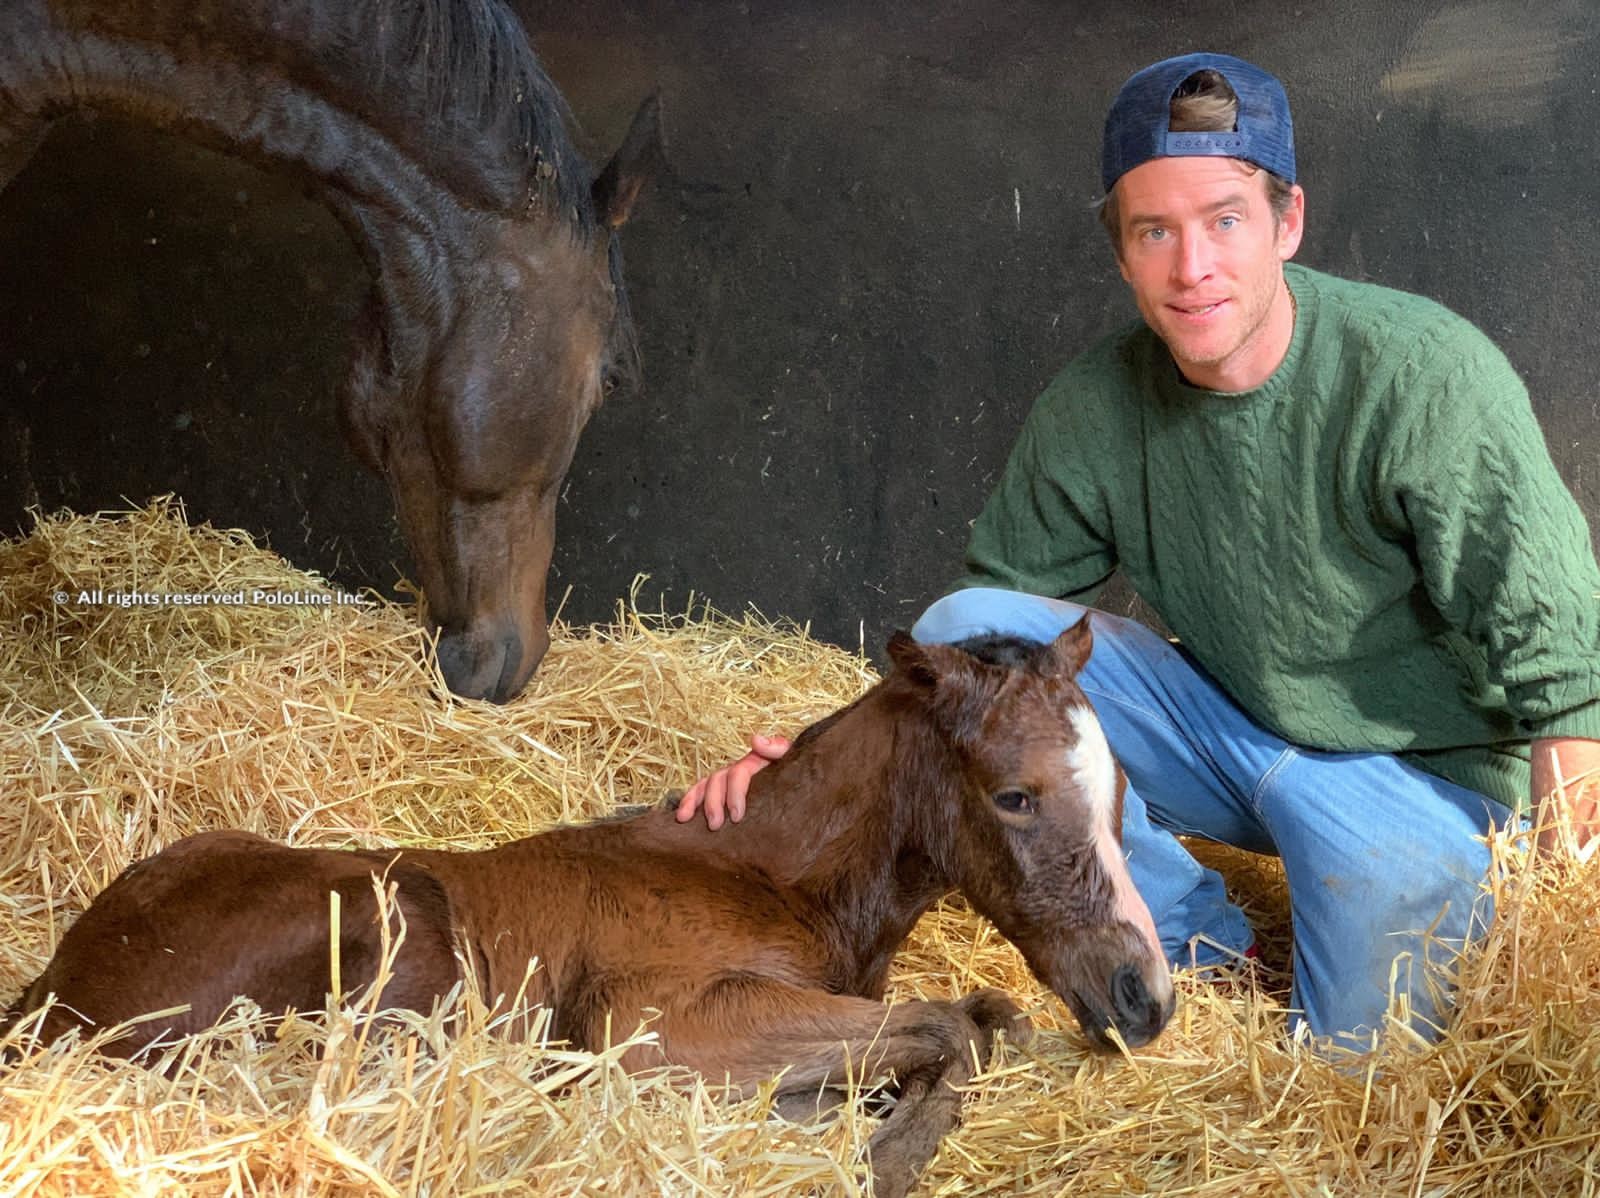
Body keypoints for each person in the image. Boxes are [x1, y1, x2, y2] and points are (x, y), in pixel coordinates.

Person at [677, 52, 1600, 1046]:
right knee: (970, 625)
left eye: (1224, 221)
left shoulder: (1420, 374)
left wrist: (1563, 915)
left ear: (1288, 222)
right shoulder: (1097, 402)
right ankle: (1204, 938)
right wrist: (812, 757)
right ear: (1119, 249)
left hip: (1417, 776)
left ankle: (1394, 907)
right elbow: (972, 661)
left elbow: (1565, 659)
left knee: (1358, 1065)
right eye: (1154, 231)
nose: (1190, 267)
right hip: (1225, 725)